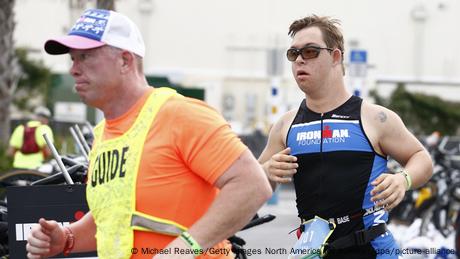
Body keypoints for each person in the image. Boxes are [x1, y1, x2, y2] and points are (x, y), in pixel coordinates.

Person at [26, 8, 271, 259]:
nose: (73, 69)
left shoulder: (179, 114)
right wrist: (67, 238)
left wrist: (183, 250)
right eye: (73, 58)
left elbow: (252, 185)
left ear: (125, 60)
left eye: (86, 57)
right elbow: (114, 217)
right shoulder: (103, 134)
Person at [258, 15, 433, 258]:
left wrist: (403, 180)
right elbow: (252, 184)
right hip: (312, 252)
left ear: (336, 56)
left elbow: (421, 158)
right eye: (293, 53)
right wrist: (266, 171)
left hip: (371, 249)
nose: (299, 60)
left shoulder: (375, 118)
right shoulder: (285, 125)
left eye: (309, 51)